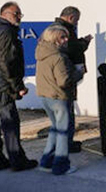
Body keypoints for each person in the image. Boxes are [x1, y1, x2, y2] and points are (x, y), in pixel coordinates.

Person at [0, 2, 37, 172]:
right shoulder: (6, 31)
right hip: (1, 86)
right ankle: (17, 161)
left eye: (20, 14)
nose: (19, 17)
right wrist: (17, 86)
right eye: (16, 13)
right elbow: (7, 63)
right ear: (4, 14)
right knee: (10, 124)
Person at [36, 24, 84, 175]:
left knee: (55, 129)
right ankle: (61, 164)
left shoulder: (42, 54)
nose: (66, 40)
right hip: (59, 98)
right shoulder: (58, 57)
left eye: (66, 37)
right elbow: (63, 81)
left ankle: (47, 161)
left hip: (46, 96)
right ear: (54, 39)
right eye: (62, 37)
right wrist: (79, 73)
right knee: (63, 131)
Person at [54, 6, 92, 154]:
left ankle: (66, 142)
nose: (77, 23)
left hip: (66, 75)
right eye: (76, 20)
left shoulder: (61, 28)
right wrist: (84, 43)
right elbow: (72, 49)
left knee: (66, 111)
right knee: (66, 112)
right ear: (71, 17)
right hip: (67, 75)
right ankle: (66, 144)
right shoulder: (64, 30)